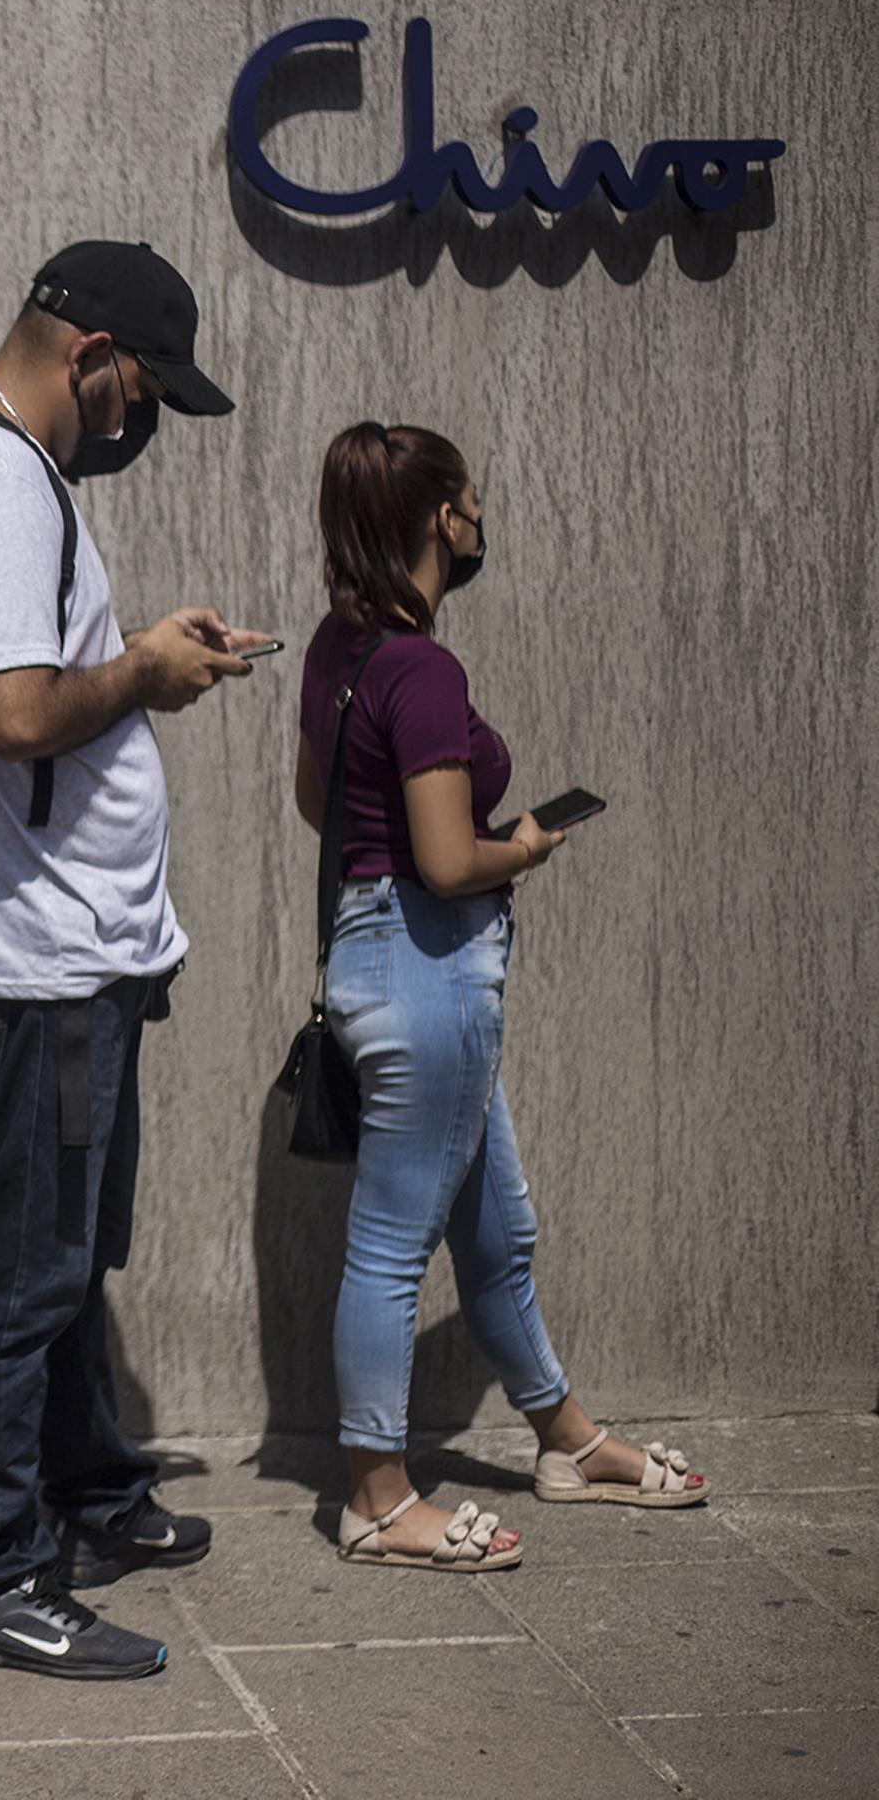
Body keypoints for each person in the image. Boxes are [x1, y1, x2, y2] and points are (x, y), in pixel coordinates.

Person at [0, 241, 264, 1678]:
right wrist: (146, 673)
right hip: (29, 962)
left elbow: (46, 674)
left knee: (67, 1253)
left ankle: (86, 1485)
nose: (140, 417)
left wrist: (153, 646)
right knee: (18, 1269)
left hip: (76, 950)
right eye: (142, 388)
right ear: (90, 353)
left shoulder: (17, 476)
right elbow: (16, 713)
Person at [297, 421, 708, 1571]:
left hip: (377, 959)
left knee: (497, 1229)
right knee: (388, 1248)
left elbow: (313, 803)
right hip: (431, 970)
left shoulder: (339, 648)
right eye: (472, 504)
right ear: (439, 519)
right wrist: (521, 841)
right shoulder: (424, 667)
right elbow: (444, 859)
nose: (481, 524)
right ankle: (377, 1494)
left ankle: (564, 1439)